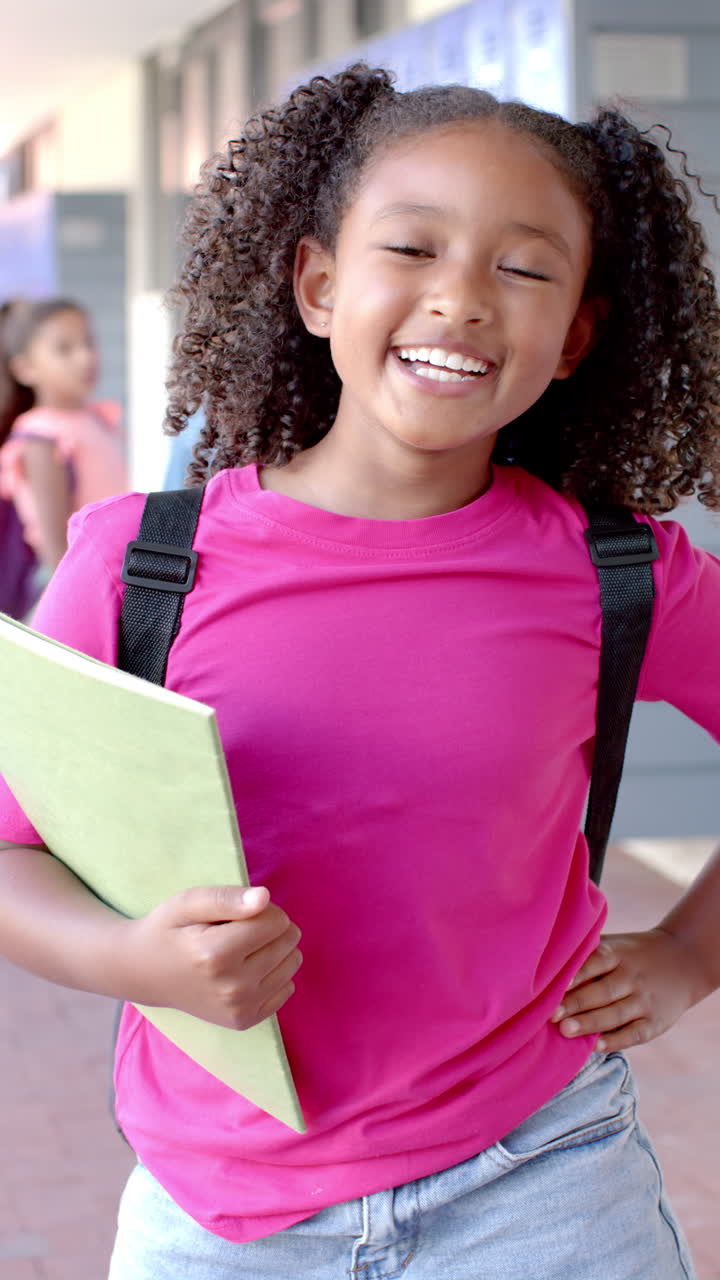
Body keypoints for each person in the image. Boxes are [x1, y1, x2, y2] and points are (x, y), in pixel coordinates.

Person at [0, 65, 718, 1279]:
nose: (463, 300)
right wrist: (130, 960)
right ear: (320, 284)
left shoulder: (612, 569)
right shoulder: (140, 565)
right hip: (214, 1205)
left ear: (577, 335)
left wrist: (693, 952)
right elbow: (13, 852)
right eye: (413, 249)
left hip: (540, 1179)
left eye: (524, 268)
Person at [0, 298, 128, 579]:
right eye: (64, 349)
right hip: (77, 583)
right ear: (25, 369)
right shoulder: (42, 437)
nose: (86, 357)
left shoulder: (95, 418)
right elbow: (57, 552)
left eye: (88, 342)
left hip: (115, 571)